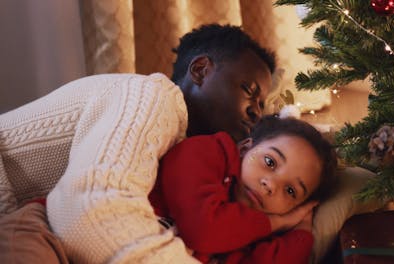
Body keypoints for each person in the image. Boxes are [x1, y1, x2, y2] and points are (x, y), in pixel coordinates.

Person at [0, 24, 276, 263]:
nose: (256, 112)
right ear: (201, 70)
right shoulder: (152, 95)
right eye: (249, 91)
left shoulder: (189, 152)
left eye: (262, 105)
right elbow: (90, 209)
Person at [149, 116, 337, 263]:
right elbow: (203, 230)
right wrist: (276, 222)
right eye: (270, 162)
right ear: (245, 148)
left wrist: (302, 228)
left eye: (290, 191)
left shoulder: (250, 235)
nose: (270, 185)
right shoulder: (205, 151)